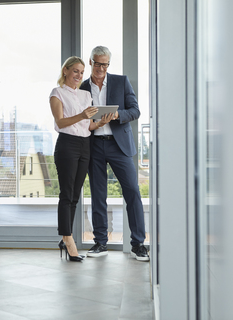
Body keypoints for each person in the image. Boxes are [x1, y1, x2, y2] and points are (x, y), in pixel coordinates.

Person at [80, 46, 149, 261]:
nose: (101, 68)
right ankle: (100, 243)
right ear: (90, 62)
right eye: (98, 63)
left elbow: (136, 110)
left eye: (105, 64)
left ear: (109, 64)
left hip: (119, 145)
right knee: (98, 195)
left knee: (132, 192)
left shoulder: (121, 81)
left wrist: (118, 114)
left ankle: (138, 243)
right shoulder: (82, 88)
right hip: (93, 145)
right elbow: (79, 118)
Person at [49, 56, 110, 262]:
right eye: (75, 71)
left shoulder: (85, 95)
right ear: (65, 71)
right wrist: (83, 116)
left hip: (85, 145)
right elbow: (61, 121)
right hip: (67, 144)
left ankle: (66, 236)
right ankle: (68, 238)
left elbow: (88, 126)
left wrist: (100, 122)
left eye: (82, 72)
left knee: (75, 194)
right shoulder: (56, 93)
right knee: (67, 193)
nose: (79, 75)